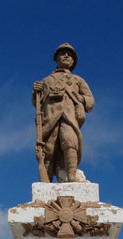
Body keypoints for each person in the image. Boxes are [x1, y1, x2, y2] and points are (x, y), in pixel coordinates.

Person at [32, 43, 94, 182]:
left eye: (70, 54)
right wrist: (35, 92)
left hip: (69, 117)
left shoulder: (78, 80)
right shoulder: (46, 81)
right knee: (48, 149)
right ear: (56, 58)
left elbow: (90, 101)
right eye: (63, 53)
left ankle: (71, 177)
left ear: (73, 61)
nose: (66, 56)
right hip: (50, 117)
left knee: (70, 141)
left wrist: (80, 98)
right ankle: (46, 183)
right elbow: (37, 103)